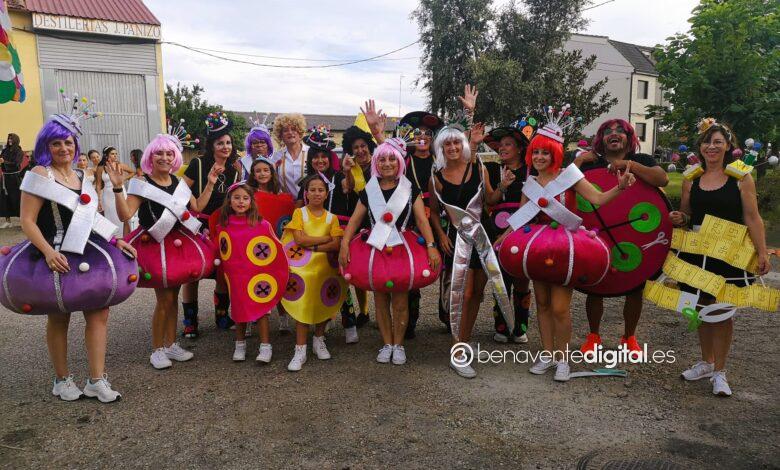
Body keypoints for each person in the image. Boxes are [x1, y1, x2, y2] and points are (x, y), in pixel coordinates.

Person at [496, 107, 635, 382]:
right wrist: (502, 237)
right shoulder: (530, 182)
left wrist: (619, 188)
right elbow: (522, 216)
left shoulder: (569, 176)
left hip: (564, 249)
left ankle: (563, 359)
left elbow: (597, 199)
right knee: (542, 304)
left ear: (555, 154)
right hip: (537, 247)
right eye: (536, 152)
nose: (539, 157)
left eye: (545, 153)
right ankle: (547, 354)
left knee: (560, 307)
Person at [10, 114, 138, 402]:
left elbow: (90, 217)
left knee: (99, 313)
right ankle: (61, 379)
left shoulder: (82, 176)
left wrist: (115, 239)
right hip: (55, 251)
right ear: (46, 146)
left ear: (75, 145)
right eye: (56, 143)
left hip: (88, 248)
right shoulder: (40, 174)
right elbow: (27, 220)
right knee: (59, 316)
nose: (63, 148)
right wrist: (48, 252)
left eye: (68, 142)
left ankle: (96, 380)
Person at [670, 119, 770, 397]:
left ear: (728, 146)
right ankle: (706, 362)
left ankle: (720, 372)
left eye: (717, 142)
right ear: (700, 147)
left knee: (723, 311)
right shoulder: (691, 178)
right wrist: (680, 218)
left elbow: (752, 217)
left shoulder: (741, 177)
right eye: (707, 142)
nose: (711, 147)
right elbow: (688, 215)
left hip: (729, 253)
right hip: (698, 251)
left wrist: (762, 251)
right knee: (700, 307)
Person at [111, 133, 217, 369]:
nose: (165, 157)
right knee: (164, 300)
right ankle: (157, 349)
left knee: (173, 297)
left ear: (175, 157)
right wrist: (118, 188)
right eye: (159, 153)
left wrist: (210, 183)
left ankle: (170, 344)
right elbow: (125, 215)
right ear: (150, 156)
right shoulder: (142, 184)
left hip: (178, 244)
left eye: (170, 153)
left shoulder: (179, 183)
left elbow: (197, 206)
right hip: (154, 244)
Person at [339, 138, 441, 364]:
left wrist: (431, 246)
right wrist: (344, 244)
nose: (387, 164)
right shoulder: (370, 189)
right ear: (376, 162)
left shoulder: (409, 188)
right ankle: (386, 343)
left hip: (402, 247)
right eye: (382, 159)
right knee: (380, 299)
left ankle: (399, 344)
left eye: (392, 159)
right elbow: (354, 220)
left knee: (401, 301)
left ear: (399, 162)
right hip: (376, 247)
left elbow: (422, 220)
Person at [574, 119, 669, 356]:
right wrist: (578, 161)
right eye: (608, 131)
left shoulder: (641, 160)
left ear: (629, 138)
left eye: (620, 131)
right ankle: (593, 336)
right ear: (601, 139)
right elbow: (564, 184)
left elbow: (662, 179)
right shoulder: (591, 163)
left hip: (632, 232)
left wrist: (628, 165)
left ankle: (629, 337)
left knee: (635, 286)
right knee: (595, 285)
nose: (613, 134)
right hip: (596, 229)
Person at [429, 122, 514, 379]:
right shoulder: (437, 176)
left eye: (456, 142)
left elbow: (490, 199)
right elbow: (434, 212)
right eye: (447, 143)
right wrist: (441, 235)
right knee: (463, 295)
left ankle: (464, 340)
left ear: (462, 144)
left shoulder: (478, 167)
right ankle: (458, 350)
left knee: (476, 293)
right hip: (457, 239)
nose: (453, 147)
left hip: (483, 234)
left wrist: (503, 186)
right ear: (441, 148)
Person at [295, 126, 360, 343]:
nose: (320, 160)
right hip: (313, 235)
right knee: (318, 278)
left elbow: (348, 187)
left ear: (330, 158)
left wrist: (348, 171)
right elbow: (297, 207)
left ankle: (349, 323)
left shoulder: (340, 176)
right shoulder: (307, 182)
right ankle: (322, 318)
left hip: (337, 233)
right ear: (310, 159)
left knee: (340, 279)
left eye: (324, 156)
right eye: (316, 156)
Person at [180, 112, 241, 338]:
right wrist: (190, 211)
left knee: (222, 271)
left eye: (228, 143)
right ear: (212, 145)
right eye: (220, 143)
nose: (225, 147)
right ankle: (190, 321)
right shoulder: (198, 163)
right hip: (196, 224)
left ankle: (222, 316)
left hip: (222, 226)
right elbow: (181, 190)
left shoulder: (234, 170)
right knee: (193, 272)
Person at [214, 182, 288, 362]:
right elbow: (222, 249)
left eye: (245, 198)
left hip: (257, 275)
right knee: (239, 308)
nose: (241, 202)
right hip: (236, 276)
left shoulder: (261, 224)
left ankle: (265, 347)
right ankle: (240, 345)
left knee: (261, 309)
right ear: (229, 201)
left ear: (251, 201)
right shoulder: (224, 225)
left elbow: (275, 247)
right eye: (237, 198)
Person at [281, 175, 346, 371]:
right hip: (302, 269)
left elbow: (336, 244)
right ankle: (300, 349)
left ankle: (319, 339)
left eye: (320, 190)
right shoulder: (299, 213)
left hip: (325, 268)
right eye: (312, 190)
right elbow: (299, 240)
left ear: (326, 194)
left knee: (323, 302)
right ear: (306, 193)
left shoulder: (332, 217)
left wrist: (314, 246)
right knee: (304, 304)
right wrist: (325, 238)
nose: (316, 193)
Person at [482, 119, 535, 343]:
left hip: (524, 227)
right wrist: (502, 185)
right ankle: (502, 327)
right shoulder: (493, 170)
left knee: (521, 278)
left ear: (520, 148)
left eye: (508, 144)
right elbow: (490, 200)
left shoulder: (531, 171)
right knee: (500, 279)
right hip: (497, 228)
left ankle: (520, 328)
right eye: (500, 145)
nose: (502, 148)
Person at [340, 125, 377, 326]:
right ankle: (364, 310)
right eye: (356, 147)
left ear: (369, 146)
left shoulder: (380, 162)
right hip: (359, 219)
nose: (360, 150)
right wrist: (347, 171)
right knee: (359, 265)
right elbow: (348, 188)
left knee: (380, 266)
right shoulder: (350, 167)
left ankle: (382, 312)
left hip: (380, 219)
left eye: (363, 146)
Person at [94, 146, 133, 236]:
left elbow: (132, 172)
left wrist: (124, 178)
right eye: (112, 154)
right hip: (107, 195)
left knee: (124, 215)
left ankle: (126, 237)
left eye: (116, 154)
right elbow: (98, 184)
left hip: (121, 193)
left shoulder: (120, 165)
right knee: (111, 216)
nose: (115, 155)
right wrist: (99, 200)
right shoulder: (101, 167)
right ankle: (113, 238)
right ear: (106, 155)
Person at [270, 113, 308, 196]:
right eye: (285, 130)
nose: (290, 132)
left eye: (294, 129)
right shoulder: (276, 156)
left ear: (299, 132)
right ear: (281, 135)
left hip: (309, 202)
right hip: (287, 202)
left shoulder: (310, 152)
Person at [0, 133, 24, 227]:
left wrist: (4, 162)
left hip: (14, 178)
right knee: (5, 198)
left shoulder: (19, 151)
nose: (10, 140)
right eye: (9, 138)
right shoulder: (5, 150)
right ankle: (8, 221)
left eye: (11, 139)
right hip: (5, 177)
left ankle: (23, 220)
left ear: (15, 140)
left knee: (17, 198)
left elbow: (16, 163)